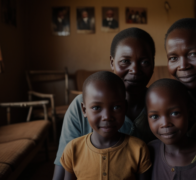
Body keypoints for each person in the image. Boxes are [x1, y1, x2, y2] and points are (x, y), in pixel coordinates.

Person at [52, 28, 156, 180]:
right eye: (125, 61)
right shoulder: (80, 105)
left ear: (153, 63)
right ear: (112, 62)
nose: (135, 70)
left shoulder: (162, 104)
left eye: (145, 62)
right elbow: (63, 168)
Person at [60, 71, 151, 180]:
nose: (107, 116)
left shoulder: (138, 149)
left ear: (125, 108)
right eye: (96, 108)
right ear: (84, 110)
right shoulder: (73, 149)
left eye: (116, 107)